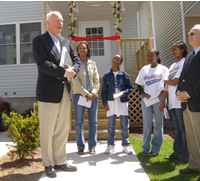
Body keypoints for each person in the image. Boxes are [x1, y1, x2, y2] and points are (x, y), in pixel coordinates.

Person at [32, 11, 80, 178]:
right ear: (48, 23)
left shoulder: (66, 42)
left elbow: (76, 60)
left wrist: (73, 70)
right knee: (47, 131)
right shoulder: (39, 41)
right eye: (57, 20)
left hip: (64, 92)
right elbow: (42, 64)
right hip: (48, 92)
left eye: (62, 20)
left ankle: (60, 161)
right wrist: (63, 72)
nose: (61, 22)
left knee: (61, 129)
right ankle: (48, 163)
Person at [159, 41, 189, 165]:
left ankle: (184, 156)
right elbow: (167, 86)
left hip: (179, 102)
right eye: (172, 50)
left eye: (175, 49)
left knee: (183, 130)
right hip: (172, 103)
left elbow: (176, 81)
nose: (172, 52)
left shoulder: (184, 62)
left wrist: (165, 80)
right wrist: (163, 102)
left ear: (182, 50)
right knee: (177, 130)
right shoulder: (172, 65)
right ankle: (176, 153)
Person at [135, 49, 169, 157]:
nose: (149, 58)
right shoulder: (144, 69)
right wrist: (144, 94)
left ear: (157, 56)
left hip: (158, 99)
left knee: (158, 123)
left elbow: (167, 83)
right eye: (148, 56)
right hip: (147, 101)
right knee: (147, 123)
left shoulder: (163, 69)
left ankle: (155, 149)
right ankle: (145, 148)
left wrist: (164, 92)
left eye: (152, 56)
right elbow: (139, 85)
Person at [177, 24, 200, 174]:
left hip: (197, 102)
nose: (189, 35)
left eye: (193, 33)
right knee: (192, 138)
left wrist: (189, 93)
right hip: (186, 104)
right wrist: (179, 92)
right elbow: (182, 78)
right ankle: (194, 165)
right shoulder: (189, 56)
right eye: (189, 33)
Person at [101, 54, 134, 154]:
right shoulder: (107, 75)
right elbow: (104, 91)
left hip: (122, 101)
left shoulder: (124, 75)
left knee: (124, 124)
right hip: (111, 101)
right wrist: (105, 103)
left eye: (117, 59)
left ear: (120, 63)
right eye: (114, 58)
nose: (115, 60)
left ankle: (126, 145)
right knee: (111, 125)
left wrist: (123, 93)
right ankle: (111, 145)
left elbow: (130, 88)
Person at [72, 41, 100, 155]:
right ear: (78, 51)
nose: (82, 50)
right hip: (79, 95)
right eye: (80, 48)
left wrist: (93, 93)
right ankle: (80, 146)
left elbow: (97, 80)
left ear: (88, 50)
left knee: (93, 122)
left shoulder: (92, 64)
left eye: (84, 48)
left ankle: (92, 147)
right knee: (79, 122)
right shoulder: (75, 64)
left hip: (93, 96)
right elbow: (75, 81)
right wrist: (85, 93)